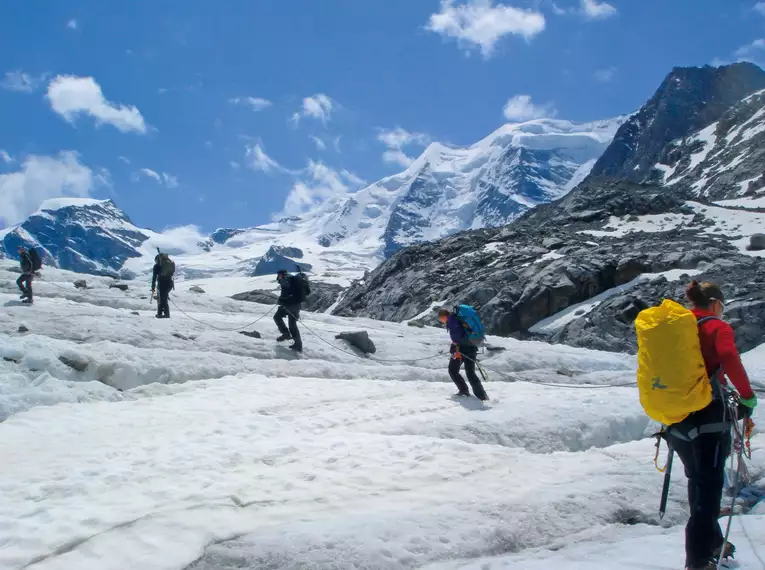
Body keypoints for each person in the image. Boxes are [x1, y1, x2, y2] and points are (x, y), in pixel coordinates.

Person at [665, 281, 757, 570]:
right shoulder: (717, 327)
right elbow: (729, 358)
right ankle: (698, 558)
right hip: (708, 416)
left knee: (698, 481)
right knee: (708, 487)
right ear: (716, 303)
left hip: (676, 416)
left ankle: (713, 542)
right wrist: (748, 398)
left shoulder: (675, 326)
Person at [437, 308, 489, 401]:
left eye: (441, 319)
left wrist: (455, 347)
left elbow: (457, 336)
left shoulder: (452, 320)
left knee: (453, 370)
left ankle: (464, 390)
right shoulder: (456, 318)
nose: (441, 321)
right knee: (470, 372)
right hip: (471, 346)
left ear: (444, 316)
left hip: (462, 348)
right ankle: (482, 395)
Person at [274, 269, 303, 352]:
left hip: (291, 306)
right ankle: (291, 338)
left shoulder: (285, 280)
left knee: (289, 323)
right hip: (294, 305)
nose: (278, 277)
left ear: (282, 274)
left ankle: (296, 344)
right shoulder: (290, 279)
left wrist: (281, 300)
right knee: (290, 323)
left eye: (279, 275)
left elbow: (286, 294)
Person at [151, 253, 175, 319]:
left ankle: (160, 314)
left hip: (162, 283)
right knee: (164, 297)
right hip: (170, 283)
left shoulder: (156, 266)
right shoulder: (169, 264)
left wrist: (153, 287)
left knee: (161, 298)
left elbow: (154, 278)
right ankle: (165, 314)